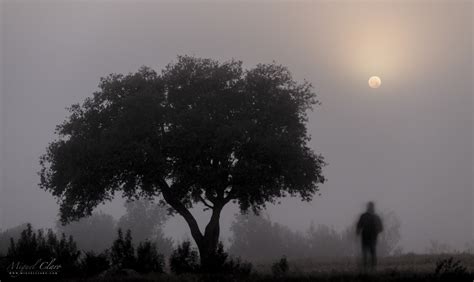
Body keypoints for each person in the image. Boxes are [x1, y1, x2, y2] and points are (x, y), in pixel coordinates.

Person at [356, 201, 383, 271]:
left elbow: (380, 228)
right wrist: (358, 232)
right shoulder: (372, 217)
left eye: (371, 206)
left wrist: (358, 232)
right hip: (368, 239)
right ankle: (369, 268)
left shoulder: (367, 216)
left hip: (370, 239)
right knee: (369, 254)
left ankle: (371, 269)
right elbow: (359, 226)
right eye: (370, 206)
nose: (370, 208)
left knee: (370, 254)